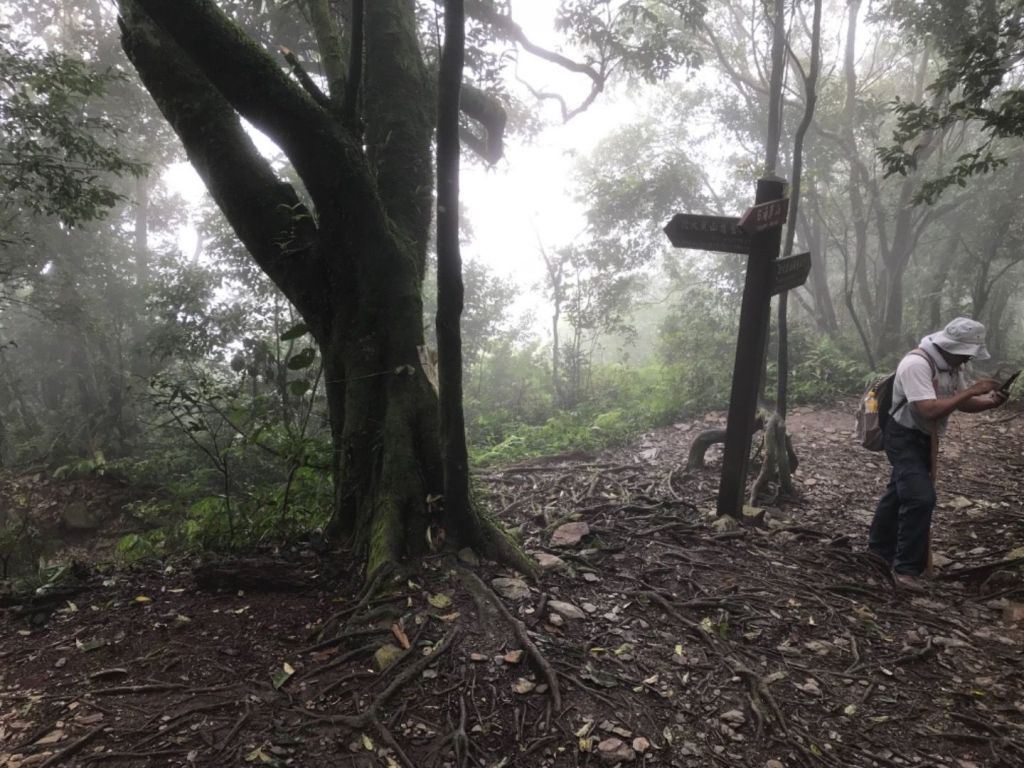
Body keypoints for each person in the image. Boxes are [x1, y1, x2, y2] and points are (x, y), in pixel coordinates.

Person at [867, 317, 1008, 591]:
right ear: (951, 348)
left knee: (899, 491)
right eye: (965, 354)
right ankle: (905, 570)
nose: (967, 360)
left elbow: (959, 402)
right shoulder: (916, 364)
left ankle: (877, 552)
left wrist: (989, 402)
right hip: (903, 435)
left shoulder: (952, 366)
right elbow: (929, 409)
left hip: (925, 436)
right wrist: (971, 390)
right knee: (920, 497)